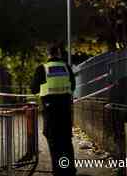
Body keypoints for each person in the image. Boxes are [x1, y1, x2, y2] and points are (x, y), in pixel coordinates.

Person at [31, 44, 76, 176]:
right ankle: (69, 170)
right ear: (59, 54)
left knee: (54, 141)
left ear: (48, 54)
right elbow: (72, 87)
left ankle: (58, 171)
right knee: (66, 141)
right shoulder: (67, 68)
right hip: (65, 110)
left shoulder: (42, 68)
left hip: (50, 111)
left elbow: (34, 89)